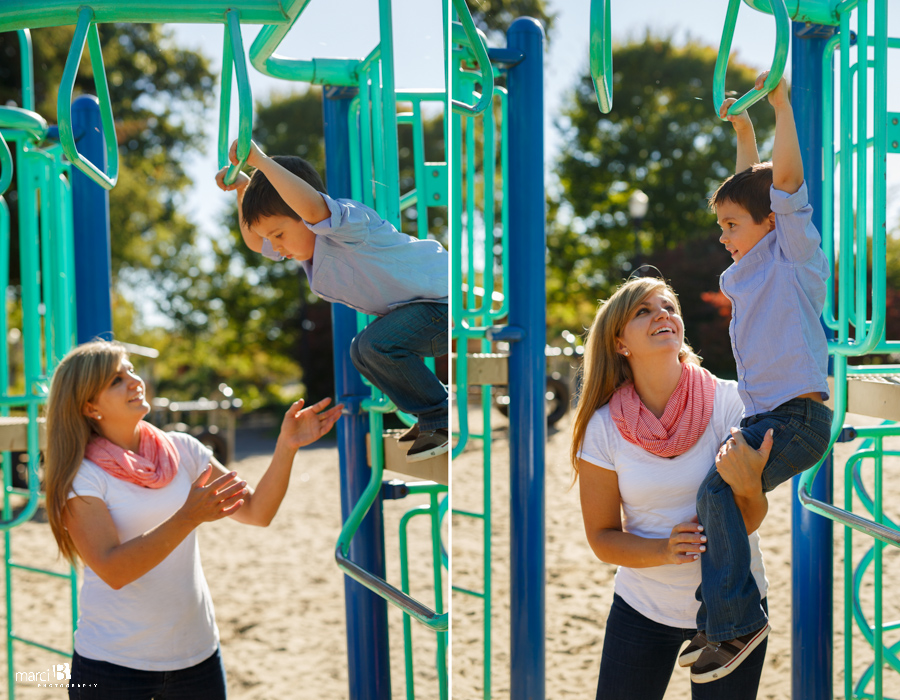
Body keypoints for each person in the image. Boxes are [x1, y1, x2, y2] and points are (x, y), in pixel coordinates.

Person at [44, 340, 343, 699]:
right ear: (90, 406)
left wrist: (286, 446)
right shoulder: (83, 476)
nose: (134, 381)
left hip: (197, 657)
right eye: (116, 380)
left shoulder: (183, 449)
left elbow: (257, 512)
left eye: (131, 371)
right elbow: (114, 570)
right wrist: (187, 516)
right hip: (114, 667)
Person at [677, 72, 835, 683]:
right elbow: (746, 192)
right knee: (708, 493)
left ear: (769, 223)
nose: (722, 235)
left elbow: (784, 187)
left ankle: (736, 622)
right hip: (768, 417)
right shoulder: (753, 260)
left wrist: (780, 107)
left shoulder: (794, 254)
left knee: (716, 492)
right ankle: (723, 614)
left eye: (730, 227)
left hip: (798, 418)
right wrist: (743, 132)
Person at [572, 276, 771, 699]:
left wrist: (751, 486)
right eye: (643, 310)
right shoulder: (603, 427)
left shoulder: (730, 402)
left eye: (668, 307)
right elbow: (602, 538)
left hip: (733, 613)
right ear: (620, 342)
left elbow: (748, 519)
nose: (663, 314)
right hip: (642, 609)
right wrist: (663, 550)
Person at [215, 140, 449, 462]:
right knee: (360, 351)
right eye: (273, 238)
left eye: (279, 235)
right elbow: (256, 242)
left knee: (372, 345)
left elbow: (311, 208)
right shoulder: (307, 250)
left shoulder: (348, 224)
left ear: (301, 211)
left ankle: (440, 416)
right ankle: (430, 416)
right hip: (422, 311)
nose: (275, 246)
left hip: (445, 303)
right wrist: (244, 190)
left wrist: (261, 161)